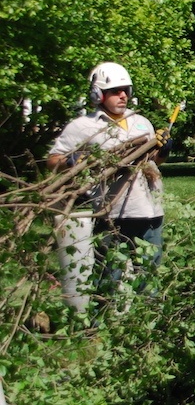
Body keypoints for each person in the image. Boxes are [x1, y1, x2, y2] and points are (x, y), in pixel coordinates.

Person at [47, 62, 170, 293]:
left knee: (149, 283)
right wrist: (71, 161)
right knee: (107, 282)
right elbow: (53, 160)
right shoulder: (83, 126)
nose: (123, 95)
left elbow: (154, 162)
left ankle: (147, 326)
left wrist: (163, 150)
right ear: (98, 94)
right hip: (110, 215)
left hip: (149, 212)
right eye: (115, 91)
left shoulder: (141, 122)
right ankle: (97, 328)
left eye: (126, 90)